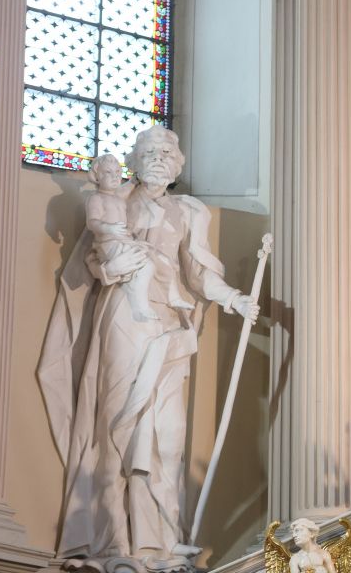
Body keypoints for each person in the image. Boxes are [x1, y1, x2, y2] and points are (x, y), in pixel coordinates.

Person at [38, 126, 260, 563]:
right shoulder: (114, 199)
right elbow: (96, 260)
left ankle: (160, 537)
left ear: (177, 166)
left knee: (168, 434)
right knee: (118, 421)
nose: (158, 158)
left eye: (166, 153)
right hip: (124, 314)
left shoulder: (190, 211)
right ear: (134, 162)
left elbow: (198, 271)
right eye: (150, 152)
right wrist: (114, 265)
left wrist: (234, 298)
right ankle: (113, 539)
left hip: (169, 323)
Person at [86, 153, 192, 322]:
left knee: (161, 258)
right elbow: (92, 223)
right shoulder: (96, 198)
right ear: (96, 177)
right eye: (108, 173)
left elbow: (127, 190)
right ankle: (140, 306)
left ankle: (173, 296)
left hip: (125, 241)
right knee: (147, 266)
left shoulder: (120, 199)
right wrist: (109, 228)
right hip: (109, 244)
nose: (114, 177)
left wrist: (135, 180)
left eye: (117, 173)